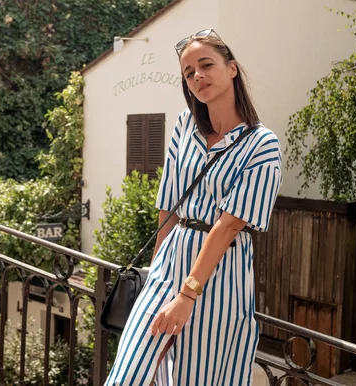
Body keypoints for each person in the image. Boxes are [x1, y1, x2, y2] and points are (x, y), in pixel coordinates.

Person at [105, 29, 283, 386]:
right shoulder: (185, 126)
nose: (197, 76)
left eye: (206, 65)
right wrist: (155, 273)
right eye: (189, 73)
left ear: (231, 68)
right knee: (128, 374)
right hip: (170, 260)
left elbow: (229, 226)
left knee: (198, 378)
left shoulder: (263, 145)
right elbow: (168, 207)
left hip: (221, 273)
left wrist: (187, 295)